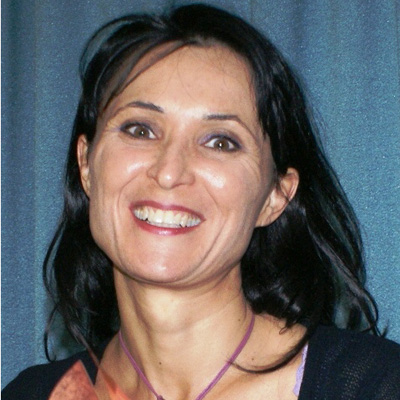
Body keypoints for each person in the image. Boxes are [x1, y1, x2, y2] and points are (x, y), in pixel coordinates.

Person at [3, 3, 400, 399]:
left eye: (220, 142)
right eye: (140, 130)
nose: (169, 171)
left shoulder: (374, 385)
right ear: (87, 164)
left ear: (276, 196)